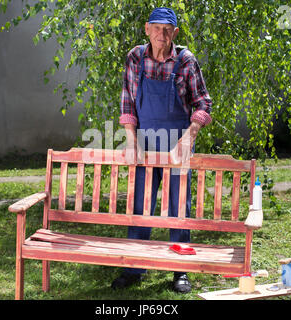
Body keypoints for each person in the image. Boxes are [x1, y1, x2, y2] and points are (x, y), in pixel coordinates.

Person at [112, 7, 213, 293]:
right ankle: (134, 267)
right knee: (141, 205)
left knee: (178, 207)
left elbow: (203, 103)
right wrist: (130, 139)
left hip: (177, 144)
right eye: (156, 28)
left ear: (175, 33)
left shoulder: (186, 60)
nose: (161, 34)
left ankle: (180, 270)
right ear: (147, 29)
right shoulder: (135, 57)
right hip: (143, 143)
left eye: (167, 29)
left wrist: (188, 137)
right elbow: (127, 101)